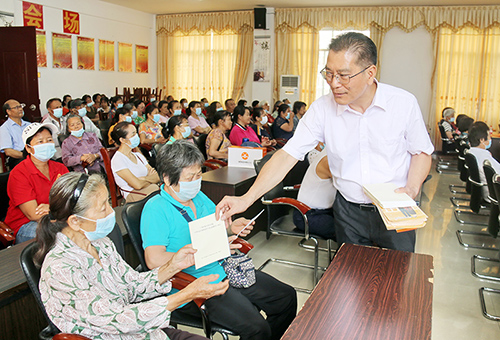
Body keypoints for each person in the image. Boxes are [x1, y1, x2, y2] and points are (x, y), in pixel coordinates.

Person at [216, 32, 433, 253]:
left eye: (343, 75)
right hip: (348, 211)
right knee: (350, 279)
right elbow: (286, 155)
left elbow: (422, 152)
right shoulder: (322, 109)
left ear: (370, 73)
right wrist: (246, 198)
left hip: (394, 207)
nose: (334, 83)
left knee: (398, 278)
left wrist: (412, 188)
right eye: (329, 74)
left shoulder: (403, 104)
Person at [37, 172, 227, 340]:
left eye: (109, 204)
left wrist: (173, 266)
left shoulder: (101, 244)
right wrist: (188, 293)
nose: (111, 212)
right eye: (103, 208)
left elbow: (132, 284)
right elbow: (116, 319)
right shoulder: (59, 268)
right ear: (75, 221)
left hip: (143, 331)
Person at [141, 141, 297, 340]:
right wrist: (199, 254)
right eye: (191, 177)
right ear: (167, 178)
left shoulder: (198, 196)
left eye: (199, 174)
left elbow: (213, 231)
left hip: (225, 268)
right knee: (257, 328)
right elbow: (153, 260)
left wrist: (232, 228)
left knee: (286, 297)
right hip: (193, 284)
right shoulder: (156, 209)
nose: (197, 181)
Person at [5, 122, 68, 243]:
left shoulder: (60, 168)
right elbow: (34, 215)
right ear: (28, 148)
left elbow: (73, 198)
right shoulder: (19, 173)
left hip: (57, 217)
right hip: (26, 224)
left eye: (49, 140)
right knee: (62, 233)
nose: (46, 144)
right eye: (40, 142)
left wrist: (50, 208)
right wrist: (58, 209)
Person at [111, 122, 160, 202]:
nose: (136, 136)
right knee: (158, 191)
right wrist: (149, 180)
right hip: (133, 194)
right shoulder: (118, 159)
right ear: (123, 140)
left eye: (136, 133)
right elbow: (137, 185)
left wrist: (143, 178)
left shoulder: (138, 155)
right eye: (133, 134)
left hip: (149, 189)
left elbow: (157, 177)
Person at [293, 149, 336, 240]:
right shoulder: (327, 160)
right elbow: (347, 186)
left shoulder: (333, 155)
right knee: (348, 229)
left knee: (354, 224)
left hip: (326, 211)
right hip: (308, 215)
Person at [467, 121, 500, 201]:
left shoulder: (471, 152)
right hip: (494, 193)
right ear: (481, 140)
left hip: (488, 191)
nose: (490, 139)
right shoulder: (484, 157)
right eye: (489, 137)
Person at [1, 99, 31, 169]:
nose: (20, 109)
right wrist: (27, 156)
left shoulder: (29, 125)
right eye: (16, 108)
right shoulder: (5, 128)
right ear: (8, 111)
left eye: (20, 106)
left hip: (32, 153)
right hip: (18, 157)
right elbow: (9, 152)